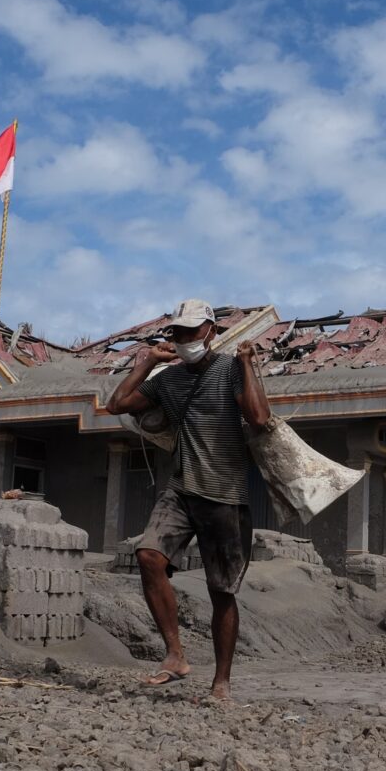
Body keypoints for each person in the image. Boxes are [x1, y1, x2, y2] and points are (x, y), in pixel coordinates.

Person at [105, 299, 271, 702]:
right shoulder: (168, 380)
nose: (183, 339)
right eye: (177, 333)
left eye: (191, 332)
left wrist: (248, 363)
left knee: (222, 593)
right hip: (181, 488)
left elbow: (260, 418)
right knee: (148, 556)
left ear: (210, 332)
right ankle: (175, 654)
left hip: (225, 494)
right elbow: (116, 405)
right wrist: (146, 361)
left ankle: (221, 683)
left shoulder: (232, 369)